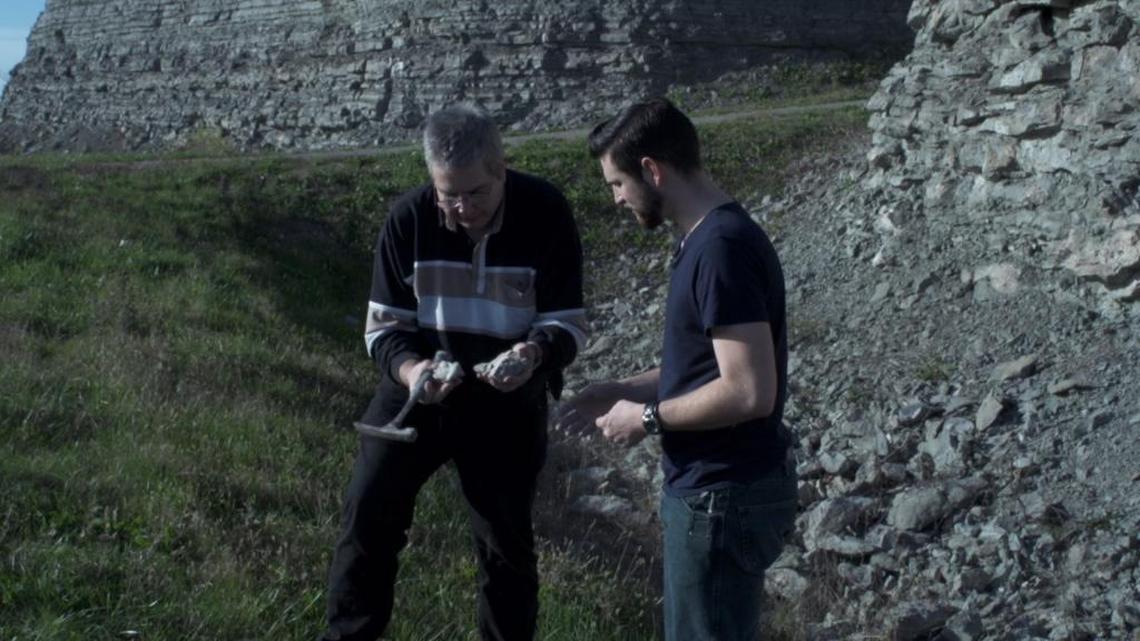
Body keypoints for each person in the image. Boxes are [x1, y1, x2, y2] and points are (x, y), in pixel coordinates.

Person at [320, 104, 587, 641]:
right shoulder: (408, 219)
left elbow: (567, 323)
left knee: (504, 545)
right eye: (448, 194)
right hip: (417, 396)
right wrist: (413, 367)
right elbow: (382, 328)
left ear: (501, 169)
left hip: (507, 402)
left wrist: (531, 355)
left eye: (476, 193)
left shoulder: (546, 211)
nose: (462, 208)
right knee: (367, 516)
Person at [556, 97, 797, 641]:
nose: (617, 199)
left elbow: (748, 391)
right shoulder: (706, 239)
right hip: (719, 491)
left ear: (651, 169)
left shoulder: (720, 250)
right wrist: (620, 387)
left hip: (720, 496)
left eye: (617, 183)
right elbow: (705, 368)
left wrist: (644, 417)